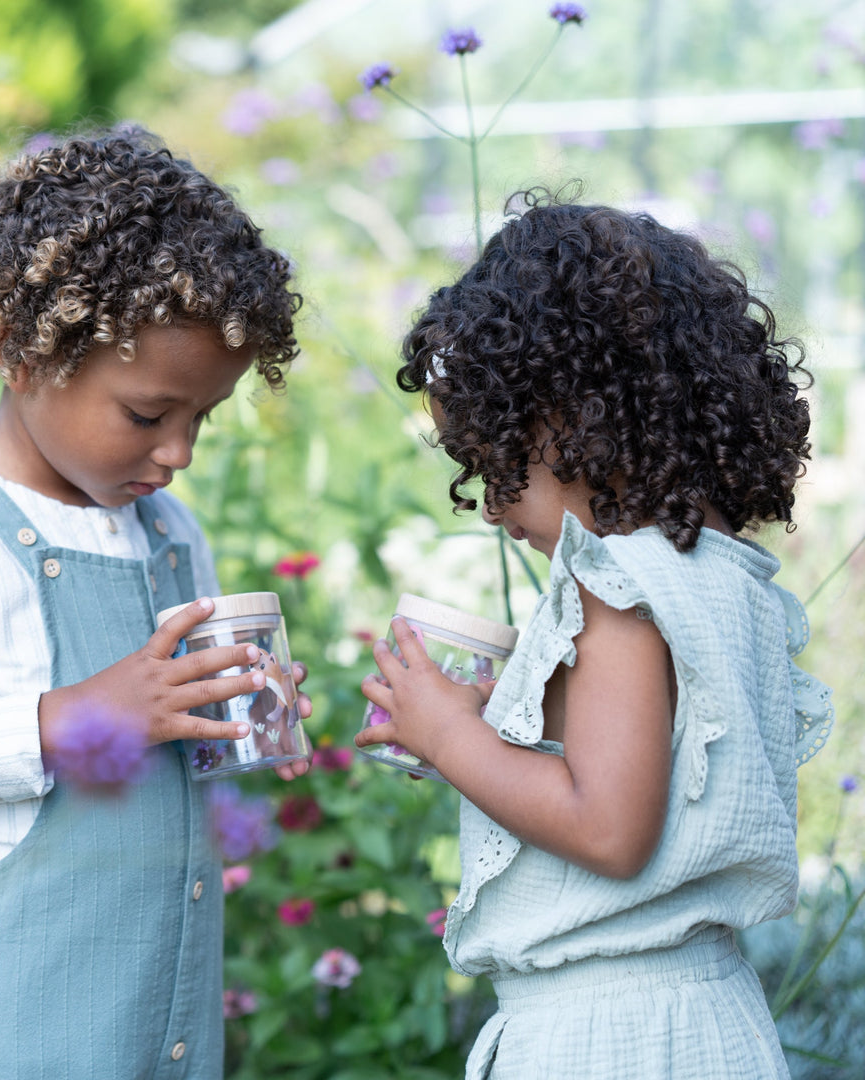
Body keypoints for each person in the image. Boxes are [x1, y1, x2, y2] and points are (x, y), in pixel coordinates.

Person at [0, 124, 309, 1079]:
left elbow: (173, 736)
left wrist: (240, 708)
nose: (179, 454)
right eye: (147, 414)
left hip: (162, 1032)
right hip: (16, 1041)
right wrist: (75, 717)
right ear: (19, 351)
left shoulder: (173, 537)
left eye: (201, 418)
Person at [355, 187, 834, 1079]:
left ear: (578, 421)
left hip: (609, 1038)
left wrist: (453, 738)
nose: (495, 510)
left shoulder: (618, 583)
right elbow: (643, 766)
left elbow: (610, 830)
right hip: (702, 1019)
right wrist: (496, 723)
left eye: (499, 465)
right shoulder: (717, 575)